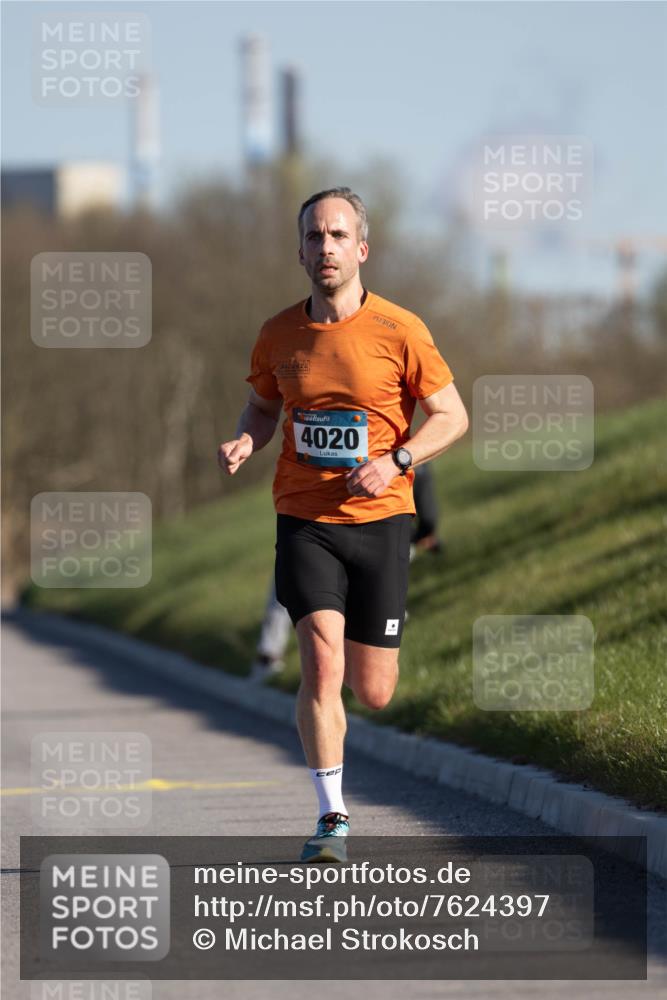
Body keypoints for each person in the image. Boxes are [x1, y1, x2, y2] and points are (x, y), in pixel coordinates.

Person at [218, 187, 468, 862]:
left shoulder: (400, 330)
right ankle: (331, 815)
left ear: (360, 248)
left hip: (382, 519)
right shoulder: (278, 334)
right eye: (311, 237)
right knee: (319, 664)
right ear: (299, 250)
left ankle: (379, 631)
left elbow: (451, 416)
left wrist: (397, 460)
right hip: (305, 517)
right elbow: (262, 408)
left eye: (335, 236)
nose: (323, 247)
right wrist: (247, 440)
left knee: (374, 691)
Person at [249, 463, 442, 682]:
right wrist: (424, 534)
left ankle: (272, 655)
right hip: (326, 533)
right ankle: (275, 655)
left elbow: (427, 518)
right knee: (290, 585)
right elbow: (428, 520)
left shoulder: (411, 458)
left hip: (370, 536)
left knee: (374, 687)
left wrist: (423, 533)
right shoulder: (415, 459)